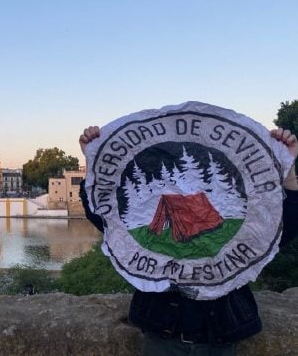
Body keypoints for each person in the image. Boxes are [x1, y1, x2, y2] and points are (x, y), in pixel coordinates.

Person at [78, 125, 298, 356]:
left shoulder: (236, 226)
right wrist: (94, 158)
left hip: (218, 337)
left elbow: (282, 229)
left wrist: (288, 165)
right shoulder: (169, 213)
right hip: (161, 335)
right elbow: (104, 217)